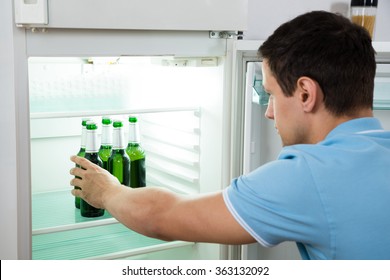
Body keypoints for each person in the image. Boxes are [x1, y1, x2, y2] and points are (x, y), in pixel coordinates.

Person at [70, 11, 390, 260]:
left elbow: (161, 216)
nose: (268, 112)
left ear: (306, 93)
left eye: (272, 95)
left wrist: (107, 191)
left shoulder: (309, 176)